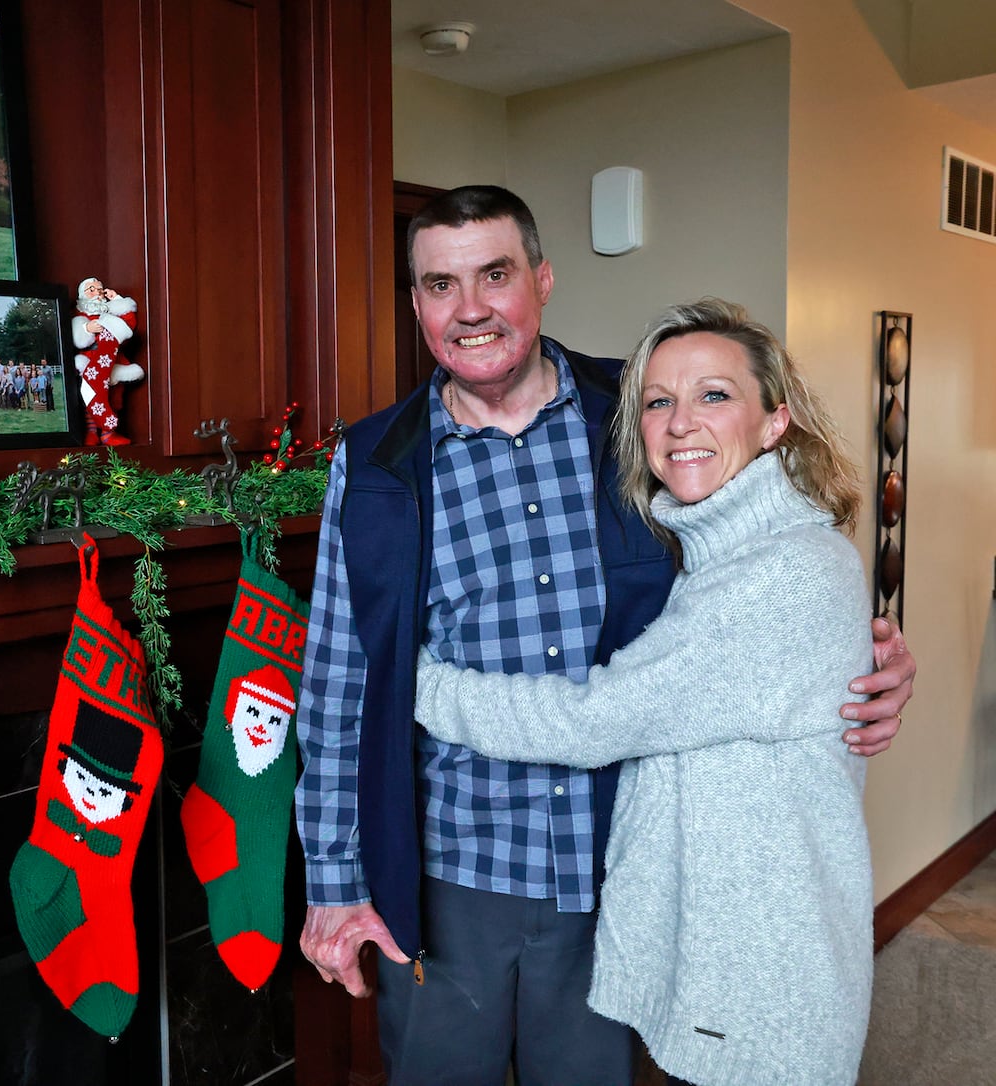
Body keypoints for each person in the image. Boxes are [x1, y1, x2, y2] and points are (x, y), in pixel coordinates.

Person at [294, 185, 915, 1086]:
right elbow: (335, 680)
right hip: (449, 870)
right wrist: (335, 878)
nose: (470, 309)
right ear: (418, 302)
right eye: (439, 285)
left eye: (495, 275)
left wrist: (868, 660)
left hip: (615, 864)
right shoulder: (378, 460)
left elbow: (751, 576)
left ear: (541, 281)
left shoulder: (640, 415)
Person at [412, 298, 873, 1086]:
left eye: (715, 395)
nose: (681, 422)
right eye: (660, 401)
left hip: (768, 967)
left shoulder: (784, 572)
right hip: (736, 949)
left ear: (775, 423)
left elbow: (596, 720)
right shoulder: (718, 554)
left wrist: (415, 683)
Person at [72, 278, 141, 445]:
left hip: (114, 361)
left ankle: (108, 433)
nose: (97, 292)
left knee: (114, 398)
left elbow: (129, 325)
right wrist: (86, 329)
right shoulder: (81, 315)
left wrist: (117, 300)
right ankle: (91, 431)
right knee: (92, 396)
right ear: (83, 295)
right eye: (91, 289)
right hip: (92, 361)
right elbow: (78, 339)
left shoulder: (110, 312)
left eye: (99, 289)